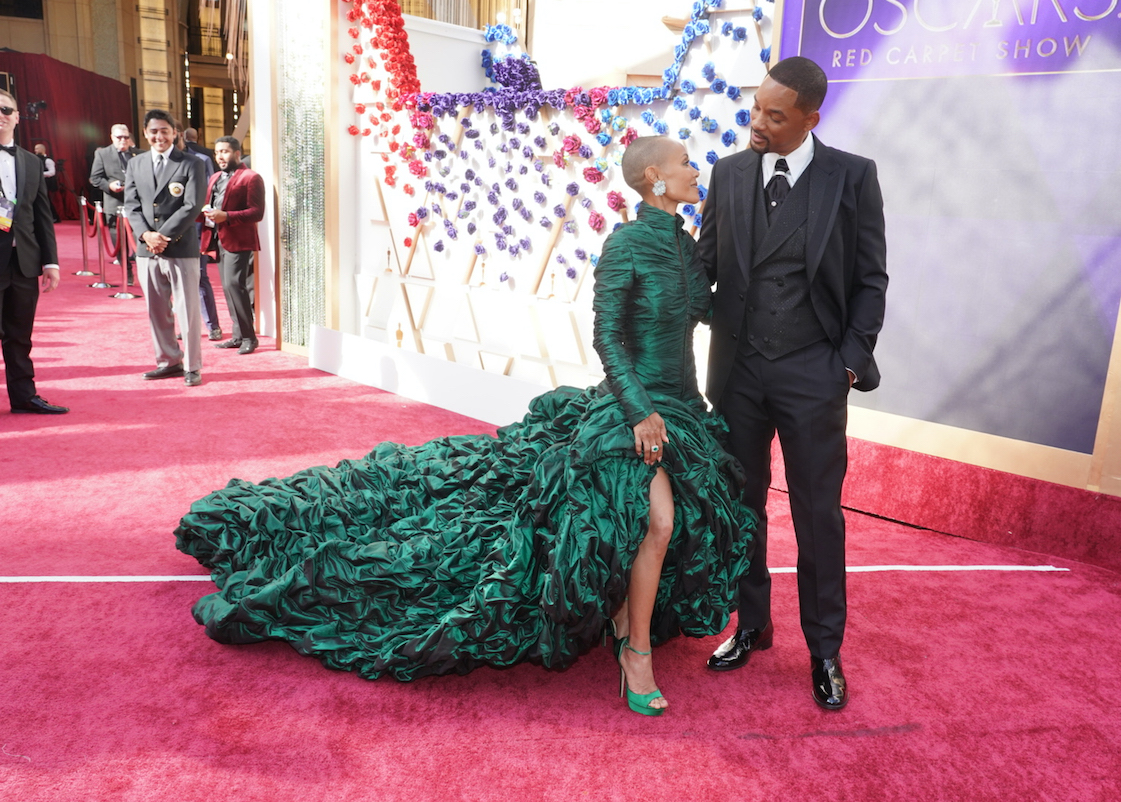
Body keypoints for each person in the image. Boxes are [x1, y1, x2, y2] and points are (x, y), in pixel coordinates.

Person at [175, 137, 755, 715]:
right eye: (684, 162)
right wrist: (639, 410)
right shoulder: (625, 246)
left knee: (684, 519)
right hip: (633, 407)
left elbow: (703, 313)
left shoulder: (687, 247)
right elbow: (607, 337)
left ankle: (630, 615)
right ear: (653, 176)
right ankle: (636, 654)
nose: (693, 168)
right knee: (658, 518)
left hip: (686, 410)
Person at [697, 57, 888, 710]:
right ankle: (751, 625)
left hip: (814, 373)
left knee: (817, 518)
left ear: (811, 117)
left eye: (775, 116)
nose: (758, 123)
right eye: (755, 108)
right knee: (741, 508)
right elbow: (705, 269)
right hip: (738, 374)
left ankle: (825, 650)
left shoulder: (853, 177)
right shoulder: (727, 174)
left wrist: (849, 360)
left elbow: (870, 279)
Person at [124, 110, 206, 387]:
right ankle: (168, 361)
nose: (159, 136)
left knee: (187, 310)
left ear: (174, 133)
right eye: (154, 131)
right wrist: (147, 235)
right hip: (147, 249)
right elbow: (131, 205)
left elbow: (192, 205)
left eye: (164, 131)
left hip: (180, 247)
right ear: (146, 133)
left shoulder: (191, 163)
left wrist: (162, 236)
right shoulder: (136, 164)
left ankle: (192, 365)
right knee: (156, 310)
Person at [0, 90, 67, 415]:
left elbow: (42, 215)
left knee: (19, 335)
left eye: (5, 109)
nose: (0, 114)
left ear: (15, 116)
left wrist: (50, 262)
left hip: (24, 262)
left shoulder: (30, 161)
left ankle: (24, 396)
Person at [203, 136, 263, 354]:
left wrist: (226, 216)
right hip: (217, 238)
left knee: (234, 286)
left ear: (238, 153)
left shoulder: (251, 177)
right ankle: (238, 335)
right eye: (217, 152)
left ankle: (249, 337)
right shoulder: (215, 177)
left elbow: (257, 212)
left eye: (225, 151)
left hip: (239, 240)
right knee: (228, 289)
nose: (220, 156)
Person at [175, 125, 222, 342]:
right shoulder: (157, 162)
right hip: (169, 230)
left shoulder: (201, 161)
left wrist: (210, 227)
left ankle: (213, 326)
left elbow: (211, 193)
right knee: (175, 281)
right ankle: (184, 326)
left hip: (195, 228)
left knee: (201, 277)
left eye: (173, 132)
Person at [89, 124, 142, 283]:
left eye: (126, 137)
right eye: (119, 137)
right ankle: (127, 272)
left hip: (138, 205)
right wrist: (109, 186)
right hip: (115, 205)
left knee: (140, 241)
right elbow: (95, 178)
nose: (123, 140)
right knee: (119, 243)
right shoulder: (103, 154)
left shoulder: (139, 154)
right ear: (112, 137)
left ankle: (146, 272)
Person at [32, 143, 59, 222]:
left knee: (46, 200)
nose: (35, 150)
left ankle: (54, 217)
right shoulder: (35, 159)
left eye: (37, 149)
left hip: (46, 183)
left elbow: (52, 172)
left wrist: (40, 174)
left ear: (42, 149)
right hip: (37, 183)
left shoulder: (48, 160)